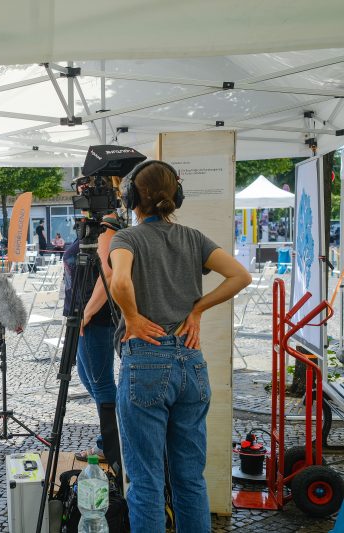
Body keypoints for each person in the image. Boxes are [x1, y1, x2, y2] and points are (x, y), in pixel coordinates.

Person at [109, 160, 250, 533]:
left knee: (146, 482)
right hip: (191, 364)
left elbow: (119, 282)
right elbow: (240, 275)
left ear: (131, 198)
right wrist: (198, 310)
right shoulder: (195, 238)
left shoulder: (127, 239)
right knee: (190, 479)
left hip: (147, 363)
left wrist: (134, 318)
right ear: (177, 196)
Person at [62, 178, 122, 471]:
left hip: (95, 319)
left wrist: (85, 314)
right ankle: (109, 441)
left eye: (85, 189)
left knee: (102, 384)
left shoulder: (108, 226)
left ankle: (112, 447)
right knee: (90, 379)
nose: (80, 194)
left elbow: (107, 276)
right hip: (82, 317)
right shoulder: (91, 226)